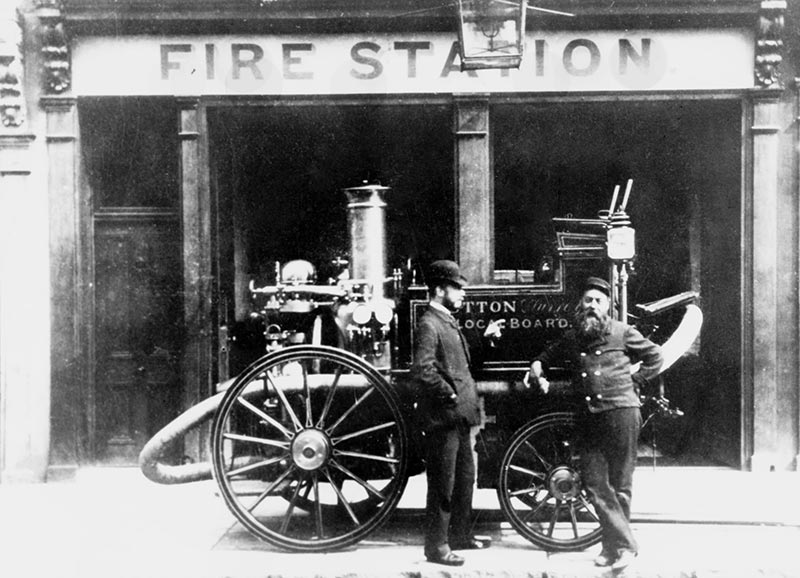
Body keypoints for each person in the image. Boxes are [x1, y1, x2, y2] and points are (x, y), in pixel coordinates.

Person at [526, 276, 663, 571]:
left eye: (598, 301)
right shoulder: (575, 336)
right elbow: (546, 356)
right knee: (594, 483)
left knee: (621, 485)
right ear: (581, 306)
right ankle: (625, 545)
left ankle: (614, 547)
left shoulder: (624, 332)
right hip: (589, 419)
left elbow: (656, 356)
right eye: (587, 301)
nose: (592, 306)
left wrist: (635, 381)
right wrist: (537, 366)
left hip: (621, 414)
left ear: (608, 306)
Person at [411, 260, 500, 567]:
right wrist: (448, 394)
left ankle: (460, 535)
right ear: (439, 290)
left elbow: (459, 362)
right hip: (444, 417)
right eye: (457, 288)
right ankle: (436, 547)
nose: (463, 294)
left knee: (464, 479)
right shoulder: (429, 323)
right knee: (443, 484)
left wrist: (485, 339)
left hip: (459, 417)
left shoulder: (446, 321)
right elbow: (422, 370)